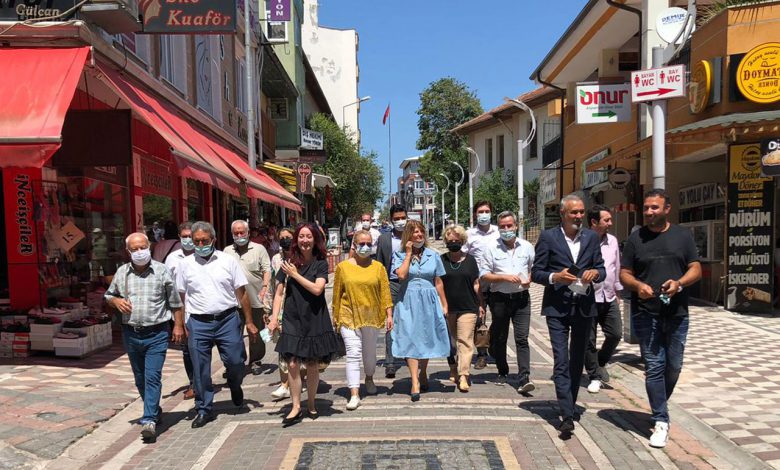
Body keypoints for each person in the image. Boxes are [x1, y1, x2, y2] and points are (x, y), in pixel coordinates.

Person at [620, 189, 701, 448]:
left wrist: (679, 283)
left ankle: (659, 404)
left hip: (677, 313)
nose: (649, 212)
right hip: (646, 313)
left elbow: (696, 268)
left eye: (654, 207)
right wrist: (638, 286)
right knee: (654, 366)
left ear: (667, 209)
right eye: (646, 208)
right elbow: (624, 273)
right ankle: (661, 419)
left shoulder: (682, 236)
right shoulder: (636, 239)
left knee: (674, 365)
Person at [531, 194, 605, 436]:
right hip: (557, 308)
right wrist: (556, 277)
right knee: (561, 360)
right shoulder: (548, 237)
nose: (579, 216)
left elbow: (601, 268)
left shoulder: (591, 237)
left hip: (584, 307)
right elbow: (537, 272)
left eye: (582, 212)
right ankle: (566, 414)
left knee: (576, 360)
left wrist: (595, 273)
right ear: (563, 213)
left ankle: (569, 405)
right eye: (574, 212)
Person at [175, 221, 258, 428]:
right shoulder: (185, 264)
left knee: (236, 361)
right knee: (200, 368)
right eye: (196, 241)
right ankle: (204, 408)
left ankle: (235, 384)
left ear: (213, 239)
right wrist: (180, 324)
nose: (200, 245)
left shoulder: (227, 261)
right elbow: (180, 296)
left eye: (204, 241)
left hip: (227, 320)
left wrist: (249, 321)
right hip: (198, 322)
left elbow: (241, 293)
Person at [105, 232, 184, 441]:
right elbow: (109, 295)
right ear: (128, 251)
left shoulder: (161, 270)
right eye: (135, 249)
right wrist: (116, 301)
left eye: (143, 247)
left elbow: (175, 302)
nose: (139, 252)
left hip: (156, 333)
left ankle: (148, 419)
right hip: (131, 333)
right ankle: (154, 410)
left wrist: (178, 326)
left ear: (149, 247)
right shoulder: (122, 272)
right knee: (140, 378)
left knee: (152, 376)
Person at [267, 223, 340, 424]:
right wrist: (274, 317)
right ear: (296, 240)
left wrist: (295, 275)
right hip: (292, 318)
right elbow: (279, 293)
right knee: (292, 363)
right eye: (301, 236)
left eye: (308, 237)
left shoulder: (320, 263)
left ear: (315, 240)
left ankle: (311, 403)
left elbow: (317, 289)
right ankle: (296, 406)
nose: (305, 241)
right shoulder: (288, 262)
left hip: (314, 317)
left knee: (311, 364)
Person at [332, 230, 393, 410]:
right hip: (348, 314)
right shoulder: (343, 267)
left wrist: (389, 314)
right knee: (353, 352)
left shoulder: (378, 267)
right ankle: (354, 393)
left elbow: (385, 292)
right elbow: (337, 293)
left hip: (371, 315)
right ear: (354, 245)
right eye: (361, 244)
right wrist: (335, 316)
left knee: (369, 354)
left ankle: (369, 377)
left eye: (368, 244)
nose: (365, 247)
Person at [390, 219, 450, 402]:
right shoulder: (399, 254)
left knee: (425, 338)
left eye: (421, 232)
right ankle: (414, 381)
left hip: (429, 300)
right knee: (410, 338)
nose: (419, 235)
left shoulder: (433, 255)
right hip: (408, 300)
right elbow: (401, 276)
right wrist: (408, 254)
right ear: (408, 235)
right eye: (415, 232)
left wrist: (444, 304)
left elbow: (438, 282)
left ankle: (423, 371)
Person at [480, 211, 536, 393]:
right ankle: (502, 370)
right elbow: (484, 274)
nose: (506, 229)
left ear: (516, 226)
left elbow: (532, 268)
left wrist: (529, 278)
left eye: (509, 226)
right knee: (500, 337)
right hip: (500, 299)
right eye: (502, 226)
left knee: (522, 338)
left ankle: (524, 377)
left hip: (522, 299)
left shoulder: (527, 247)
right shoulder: (491, 248)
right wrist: (504, 277)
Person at [224, 220, 272, 376]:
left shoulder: (259, 249)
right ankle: (237, 361)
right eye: (236, 233)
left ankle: (256, 360)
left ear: (248, 233)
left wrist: (265, 287)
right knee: (234, 334)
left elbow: (267, 269)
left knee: (256, 332)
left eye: (242, 232)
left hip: (255, 299)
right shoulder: (227, 251)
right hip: (234, 301)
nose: (239, 235)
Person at [585, 205, 623, 394]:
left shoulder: (613, 241)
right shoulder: (582, 240)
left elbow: (616, 266)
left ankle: (600, 362)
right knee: (589, 339)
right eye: (606, 220)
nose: (610, 223)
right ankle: (594, 375)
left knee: (615, 333)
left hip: (609, 296)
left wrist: (617, 290)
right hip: (587, 297)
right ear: (594, 222)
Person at [440, 225, 483, 392]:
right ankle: (453, 366)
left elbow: (476, 283)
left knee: (465, 341)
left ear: (462, 241)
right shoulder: (441, 260)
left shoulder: (471, 260)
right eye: (450, 241)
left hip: (468, 306)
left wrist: (481, 304)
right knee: (451, 342)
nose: (453, 243)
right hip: (448, 307)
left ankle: (464, 375)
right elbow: (437, 284)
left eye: (456, 240)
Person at [464, 200, 499, 370]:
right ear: (475, 214)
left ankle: (494, 346)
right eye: (480, 211)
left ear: (491, 213)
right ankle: (482, 355)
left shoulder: (499, 232)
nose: (484, 214)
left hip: (497, 282)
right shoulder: (469, 235)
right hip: (477, 284)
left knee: (499, 318)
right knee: (479, 320)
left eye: (486, 211)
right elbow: (463, 256)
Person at [165, 222, 196, 400]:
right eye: (184, 237)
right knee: (186, 349)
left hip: (200, 309)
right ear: (179, 237)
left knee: (200, 347)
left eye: (190, 236)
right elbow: (167, 285)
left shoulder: (204, 255)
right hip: (180, 310)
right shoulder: (172, 258)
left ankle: (202, 379)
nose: (187, 240)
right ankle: (194, 383)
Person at [375, 204, 407, 378]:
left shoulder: (413, 235)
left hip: (411, 283)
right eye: (397, 219)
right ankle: (390, 362)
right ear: (391, 220)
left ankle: (412, 356)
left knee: (411, 321)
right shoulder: (384, 239)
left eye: (403, 218)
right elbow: (379, 264)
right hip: (392, 283)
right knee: (391, 322)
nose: (400, 221)